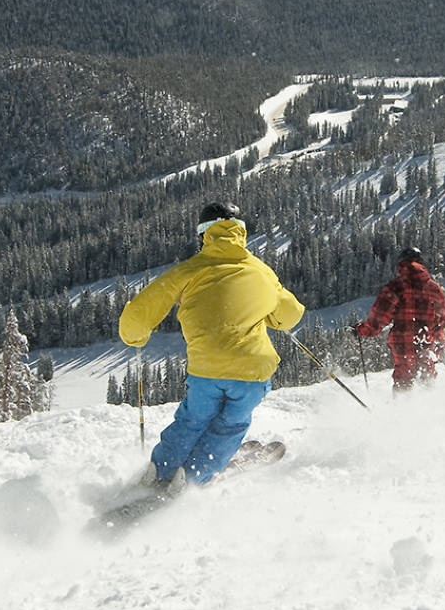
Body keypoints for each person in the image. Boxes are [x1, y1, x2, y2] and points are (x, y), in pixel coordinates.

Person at [119, 201, 305, 490]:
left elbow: (143, 308)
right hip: (251, 373)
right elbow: (289, 314)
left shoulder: (190, 270)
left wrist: (135, 335)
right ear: (241, 231)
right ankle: (195, 477)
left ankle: (161, 470)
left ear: (203, 234)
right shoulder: (260, 271)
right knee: (230, 425)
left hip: (207, 370)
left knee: (191, 420)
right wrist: (269, 315)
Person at [353, 247, 445, 392]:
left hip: (403, 343)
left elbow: (379, 318)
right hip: (427, 342)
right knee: (428, 378)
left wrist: (362, 330)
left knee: (403, 381)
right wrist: (437, 341)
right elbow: (442, 318)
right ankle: (432, 409)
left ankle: (402, 411)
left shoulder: (396, 287)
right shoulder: (434, 288)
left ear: (401, 264)